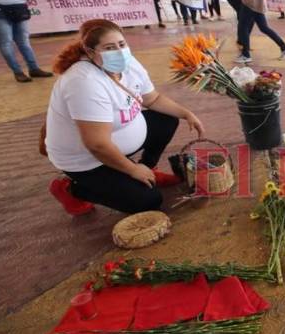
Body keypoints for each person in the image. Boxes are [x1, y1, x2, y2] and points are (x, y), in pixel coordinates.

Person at [46, 19, 204, 215]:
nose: (119, 52)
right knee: (148, 201)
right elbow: (97, 145)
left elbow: (152, 99)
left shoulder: (128, 63)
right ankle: (70, 188)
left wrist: (186, 113)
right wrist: (132, 170)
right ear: (90, 51)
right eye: (109, 48)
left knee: (167, 119)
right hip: (89, 160)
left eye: (122, 44)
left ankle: (148, 169)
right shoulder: (84, 82)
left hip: (117, 141)